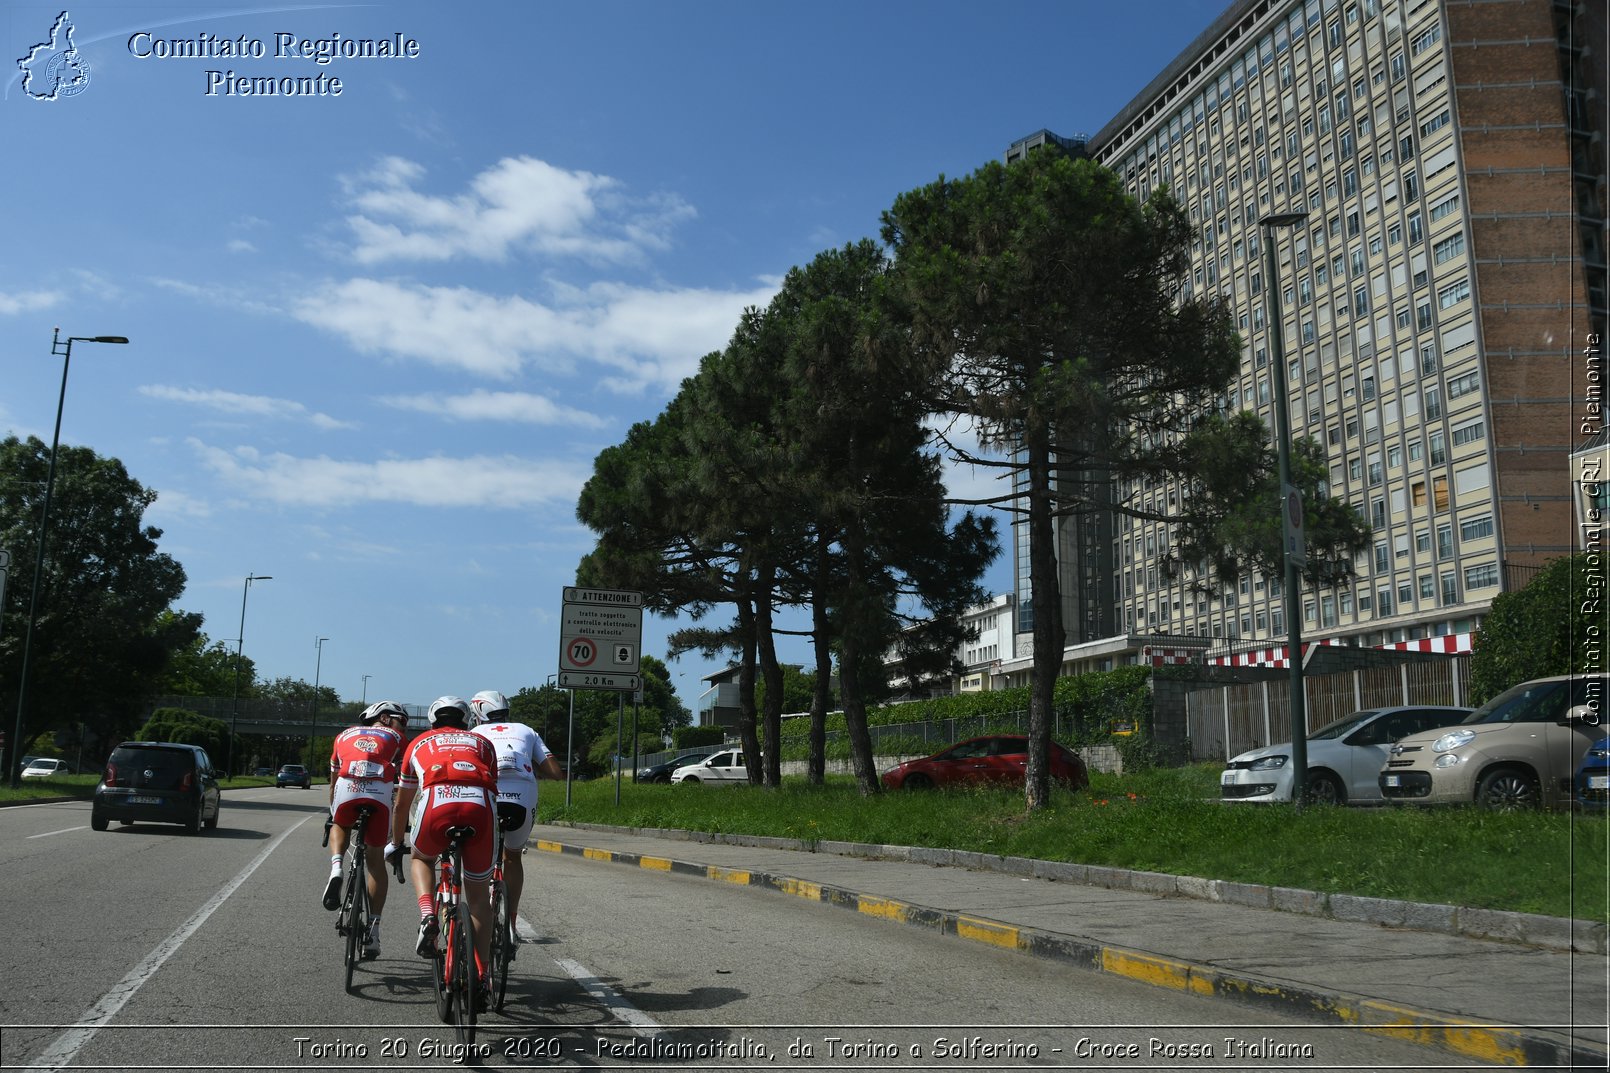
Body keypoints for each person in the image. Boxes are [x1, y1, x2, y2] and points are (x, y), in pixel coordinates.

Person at [388, 695, 499, 1008]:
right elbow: (493, 789)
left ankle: (427, 916)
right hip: (480, 808)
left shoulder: (419, 742)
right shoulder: (482, 743)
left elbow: (402, 804)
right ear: (466, 722)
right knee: (478, 900)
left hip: (438, 804)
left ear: (433, 721)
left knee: (421, 858)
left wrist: (397, 843)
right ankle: (481, 976)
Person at [468, 689, 563, 953]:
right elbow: (555, 772)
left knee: (482, 857)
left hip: (487, 796)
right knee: (513, 856)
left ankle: (480, 916)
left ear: (478, 714)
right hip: (522, 797)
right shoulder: (526, 730)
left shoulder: (474, 735)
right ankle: (510, 924)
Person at [324, 700, 407, 957]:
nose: (403, 727)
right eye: (400, 721)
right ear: (384, 718)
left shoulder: (343, 735)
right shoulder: (397, 738)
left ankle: (337, 867)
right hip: (379, 794)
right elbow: (406, 781)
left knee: (340, 823)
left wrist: (333, 809)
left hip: (347, 789)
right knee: (375, 862)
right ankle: (373, 933)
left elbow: (333, 781)